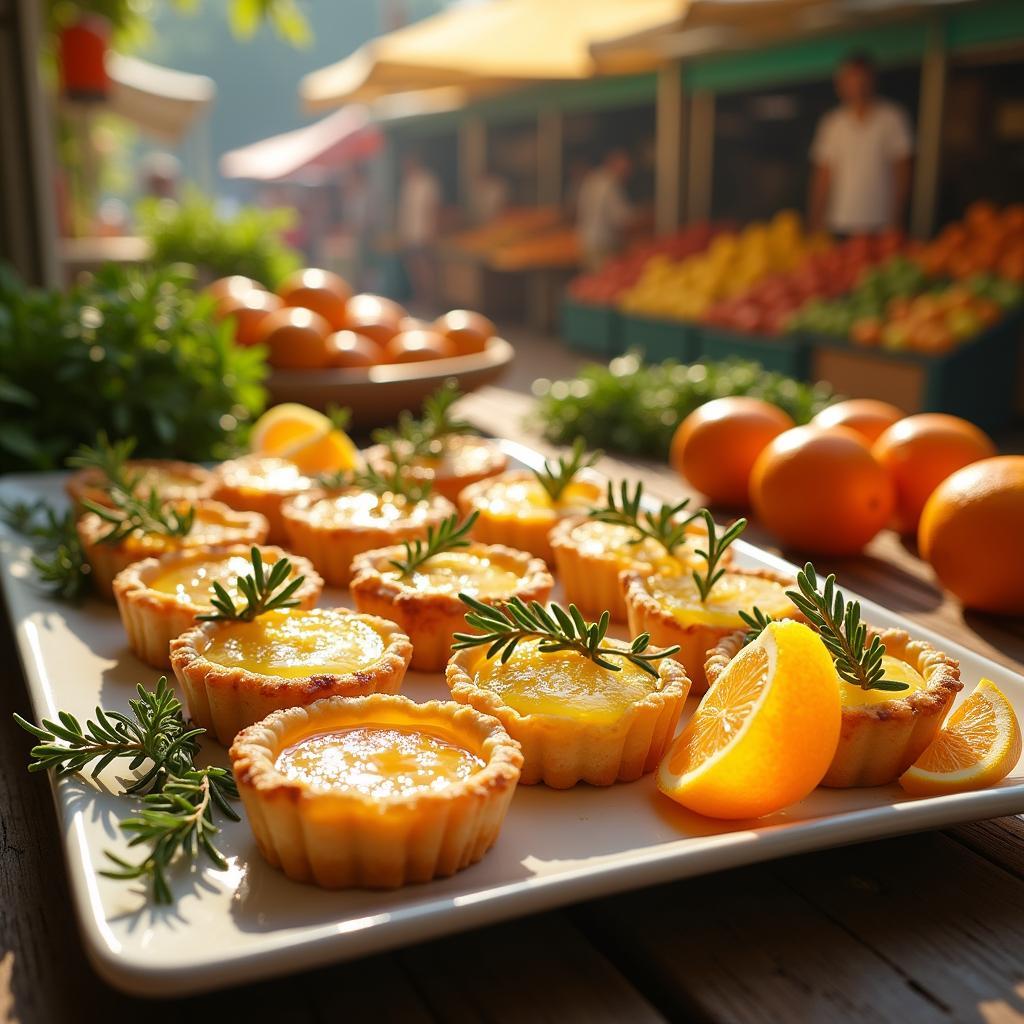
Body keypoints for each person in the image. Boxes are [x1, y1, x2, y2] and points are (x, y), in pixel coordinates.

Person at [808, 52, 913, 236]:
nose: (857, 86)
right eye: (851, 80)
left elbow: (903, 170)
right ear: (840, 84)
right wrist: (816, 219)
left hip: (881, 224)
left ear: (872, 80)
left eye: (862, 79)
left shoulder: (892, 118)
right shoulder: (832, 123)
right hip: (839, 222)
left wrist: (898, 217)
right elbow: (823, 174)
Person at [575, 149, 634, 271]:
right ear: (614, 163)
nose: (628, 172)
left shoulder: (592, 179)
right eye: (626, 167)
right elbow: (620, 218)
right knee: (605, 278)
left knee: (596, 281)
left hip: (586, 241)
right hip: (604, 243)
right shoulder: (610, 184)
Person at [397, 150, 441, 308]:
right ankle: (420, 296)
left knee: (425, 266)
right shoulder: (408, 182)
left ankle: (430, 298)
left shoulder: (427, 181)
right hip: (410, 232)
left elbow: (433, 208)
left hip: (423, 231)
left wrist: (432, 230)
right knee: (413, 266)